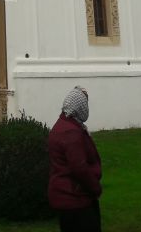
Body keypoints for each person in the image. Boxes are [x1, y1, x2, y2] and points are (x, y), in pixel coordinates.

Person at [48, 87, 102, 232]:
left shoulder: (61, 124)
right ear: (80, 106)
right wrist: (95, 188)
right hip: (75, 199)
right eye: (85, 104)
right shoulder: (71, 132)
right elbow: (79, 168)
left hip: (65, 196)